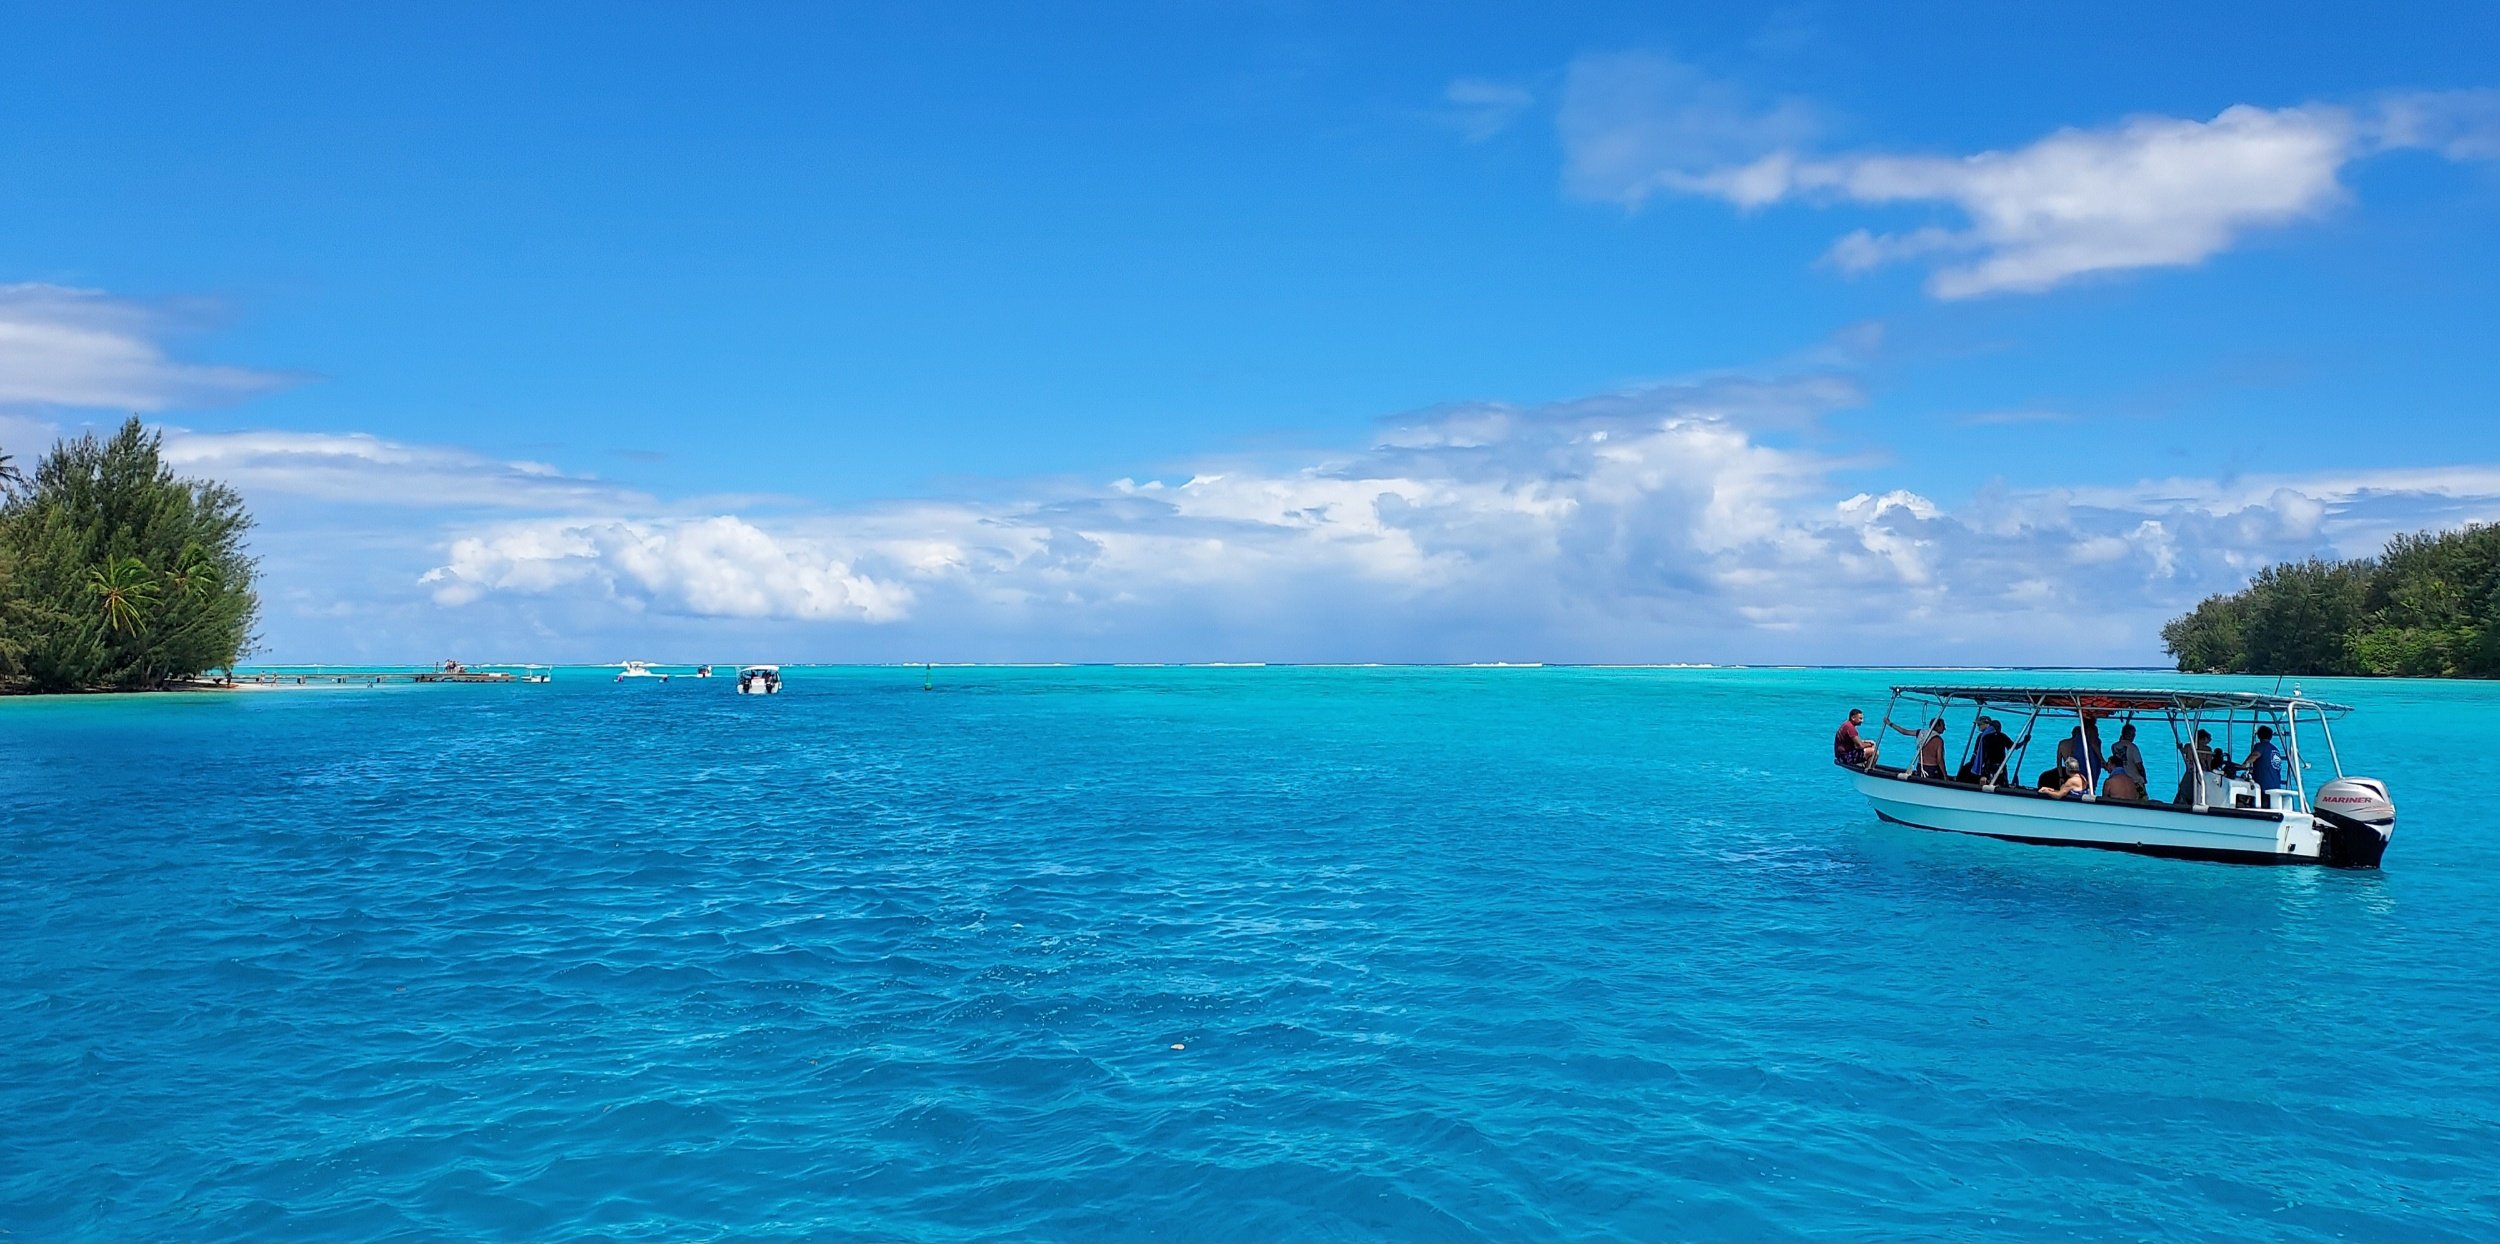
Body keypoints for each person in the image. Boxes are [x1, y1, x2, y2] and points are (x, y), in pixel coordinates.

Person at [2244, 725, 2288, 793]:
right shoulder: (2276, 750)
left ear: (2259, 735)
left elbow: (2255, 755)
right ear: (2271, 737)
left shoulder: (2260, 746)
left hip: (2264, 786)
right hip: (2276, 785)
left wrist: (2245, 764)